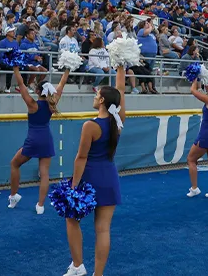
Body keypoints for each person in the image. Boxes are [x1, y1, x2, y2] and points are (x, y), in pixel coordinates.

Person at [63, 67, 126, 276]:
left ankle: (78, 266)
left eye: (97, 94)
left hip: (88, 178)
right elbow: (120, 92)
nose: (95, 96)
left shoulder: (90, 125)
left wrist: (73, 186)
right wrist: (121, 68)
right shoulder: (118, 122)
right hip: (109, 178)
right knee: (103, 229)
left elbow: (81, 158)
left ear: (101, 101)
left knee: (72, 220)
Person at [8, 66, 70, 212]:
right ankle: (40, 205)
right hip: (46, 139)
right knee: (45, 173)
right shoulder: (52, 103)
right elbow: (61, 84)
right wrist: (67, 69)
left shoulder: (32, 104)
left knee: (14, 164)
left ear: (37, 91)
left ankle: (14, 195)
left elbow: (22, 85)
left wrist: (16, 69)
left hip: (33, 140)